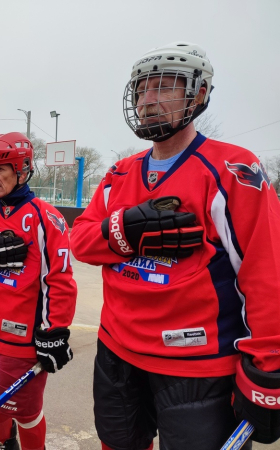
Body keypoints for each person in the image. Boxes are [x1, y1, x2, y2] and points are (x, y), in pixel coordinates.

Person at [70, 41, 280, 450]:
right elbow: (81, 241)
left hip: (198, 365)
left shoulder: (233, 169)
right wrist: (123, 232)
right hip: (117, 350)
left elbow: (266, 272)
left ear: (198, 94)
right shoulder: (119, 173)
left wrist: (269, 364)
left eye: (164, 87)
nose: (148, 100)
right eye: (142, 90)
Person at [0, 132, 77, 450]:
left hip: (18, 342)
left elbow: (59, 281)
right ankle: (2, 442)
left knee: (25, 412)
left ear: (22, 168)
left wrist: (55, 330)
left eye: (1, 169)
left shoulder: (45, 218)